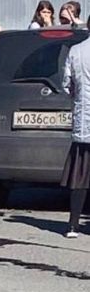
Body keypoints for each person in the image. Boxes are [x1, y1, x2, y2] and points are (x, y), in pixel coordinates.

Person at [61, 23, 90, 237]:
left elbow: (66, 84)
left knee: (80, 176)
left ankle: (73, 224)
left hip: (84, 125)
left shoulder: (76, 50)